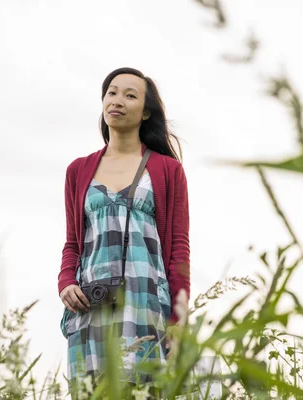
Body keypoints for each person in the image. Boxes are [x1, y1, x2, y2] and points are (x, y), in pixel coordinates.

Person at [57, 67, 190, 388]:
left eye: (130, 95)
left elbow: (179, 249)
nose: (117, 100)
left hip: (145, 301)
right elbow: (73, 243)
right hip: (92, 302)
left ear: (146, 112)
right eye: (112, 92)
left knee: (143, 390)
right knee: (92, 392)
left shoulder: (167, 170)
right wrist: (65, 282)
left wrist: (179, 318)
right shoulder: (78, 170)